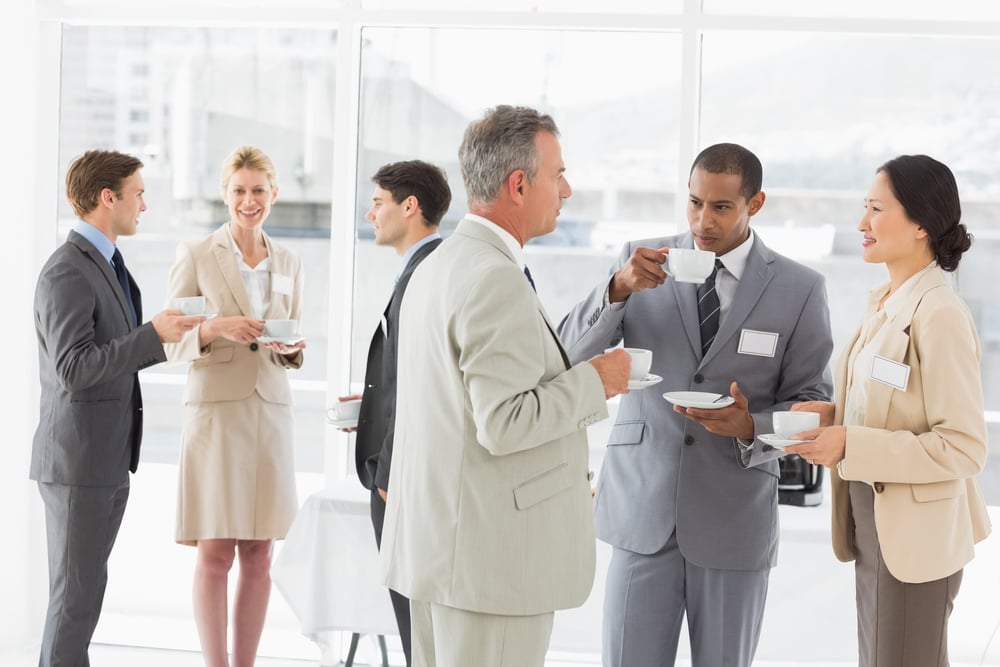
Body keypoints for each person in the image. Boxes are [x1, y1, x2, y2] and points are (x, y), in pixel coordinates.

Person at [558, 142, 835, 667]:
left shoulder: (800, 288)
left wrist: (749, 424)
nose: (702, 220)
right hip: (642, 509)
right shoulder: (639, 261)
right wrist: (617, 289)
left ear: (755, 204)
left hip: (734, 518)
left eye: (721, 207)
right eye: (694, 202)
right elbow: (565, 353)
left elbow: (814, 404)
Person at [378, 105, 631, 667]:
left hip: (437, 552)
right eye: (558, 173)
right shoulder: (495, 276)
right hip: (487, 568)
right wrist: (596, 381)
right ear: (519, 184)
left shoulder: (437, 264)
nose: (567, 188)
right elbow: (505, 422)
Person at [786, 154, 991, 667]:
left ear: (921, 222)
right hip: (875, 528)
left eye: (876, 209)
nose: (862, 223)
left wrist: (852, 443)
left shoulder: (940, 314)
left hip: (913, 545)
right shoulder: (885, 302)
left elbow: (963, 447)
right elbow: (897, 408)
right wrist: (836, 419)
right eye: (864, 208)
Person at [31, 149, 204, 667]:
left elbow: (111, 356)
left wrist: (163, 338)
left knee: (82, 601)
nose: (144, 207)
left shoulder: (107, 263)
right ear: (108, 198)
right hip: (78, 462)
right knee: (73, 603)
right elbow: (74, 368)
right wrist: (152, 335)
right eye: (139, 194)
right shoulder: (68, 271)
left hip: (102, 459)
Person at [163, 145, 306, 667]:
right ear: (226, 194)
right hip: (217, 414)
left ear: (274, 195)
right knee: (215, 552)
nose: (250, 201)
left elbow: (291, 339)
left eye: (259, 191)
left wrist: (293, 351)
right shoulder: (197, 254)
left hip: (270, 412)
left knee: (261, 554)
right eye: (240, 191)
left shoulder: (289, 261)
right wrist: (216, 327)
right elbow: (171, 340)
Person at [337, 159, 452, 666]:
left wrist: (388, 474)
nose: (370, 214)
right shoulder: (427, 267)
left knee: (420, 633)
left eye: (378, 202)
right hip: (402, 472)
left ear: (410, 207)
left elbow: (423, 385)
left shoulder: (426, 272)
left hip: (403, 480)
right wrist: (369, 411)